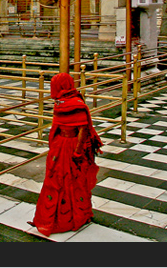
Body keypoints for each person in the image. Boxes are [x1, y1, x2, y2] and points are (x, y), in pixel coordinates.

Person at [30, 73, 104, 237]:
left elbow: (83, 130)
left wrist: (78, 151)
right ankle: (55, 218)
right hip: (60, 146)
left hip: (70, 145)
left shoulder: (75, 103)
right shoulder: (61, 102)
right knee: (57, 180)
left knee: (71, 180)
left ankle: (72, 217)